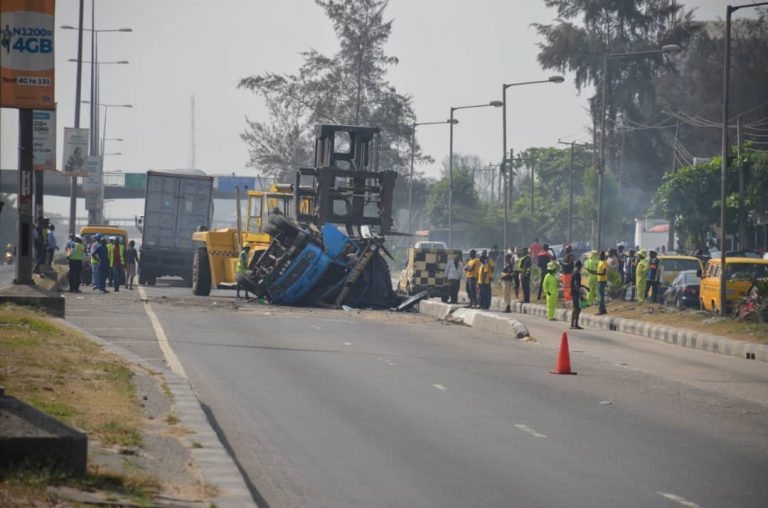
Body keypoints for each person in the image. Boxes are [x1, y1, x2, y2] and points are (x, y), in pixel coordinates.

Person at [570, 260, 585, 329]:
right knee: (577, 309)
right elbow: (576, 285)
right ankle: (574, 324)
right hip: (575, 293)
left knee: (576, 308)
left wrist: (585, 287)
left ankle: (573, 324)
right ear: (580, 266)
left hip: (574, 292)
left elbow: (578, 284)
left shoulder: (574, 273)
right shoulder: (577, 274)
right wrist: (580, 294)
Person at [596, 250, 608, 315]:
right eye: (599, 255)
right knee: (601, 296)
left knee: (601, 297)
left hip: (602, 281)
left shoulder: (604, 262)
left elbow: (604, 272)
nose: (600, 256)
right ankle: (603, 309)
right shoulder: (600, 262)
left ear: (603, 255)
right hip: (599, 280)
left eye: (601, 255)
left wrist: (597, 273)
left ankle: (601, 310)